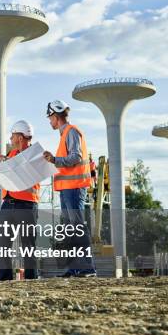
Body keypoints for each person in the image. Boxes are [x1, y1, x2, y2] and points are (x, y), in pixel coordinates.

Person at [42, 100, 96, 277]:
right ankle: (75, 267)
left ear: (56, 117)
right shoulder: (65, 135)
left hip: (73, 189)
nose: (49, 121)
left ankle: (87, 267)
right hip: (67, 189)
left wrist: (55, 160)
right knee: (70, 229)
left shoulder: (71, 132)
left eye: (50, 118)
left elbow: (76, 157)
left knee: (77, 227)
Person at [0, 120, 40, 280]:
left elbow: (20, 168)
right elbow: (8, 173)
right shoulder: (12, 155)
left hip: (27, 205)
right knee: (2, 244)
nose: (10, 138)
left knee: (28, 246)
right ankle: (5, 280)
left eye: (12, 135)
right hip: (8, 204)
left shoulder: (34, 155)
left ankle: (31, 280)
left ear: (20, 137)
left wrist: (4, 160)